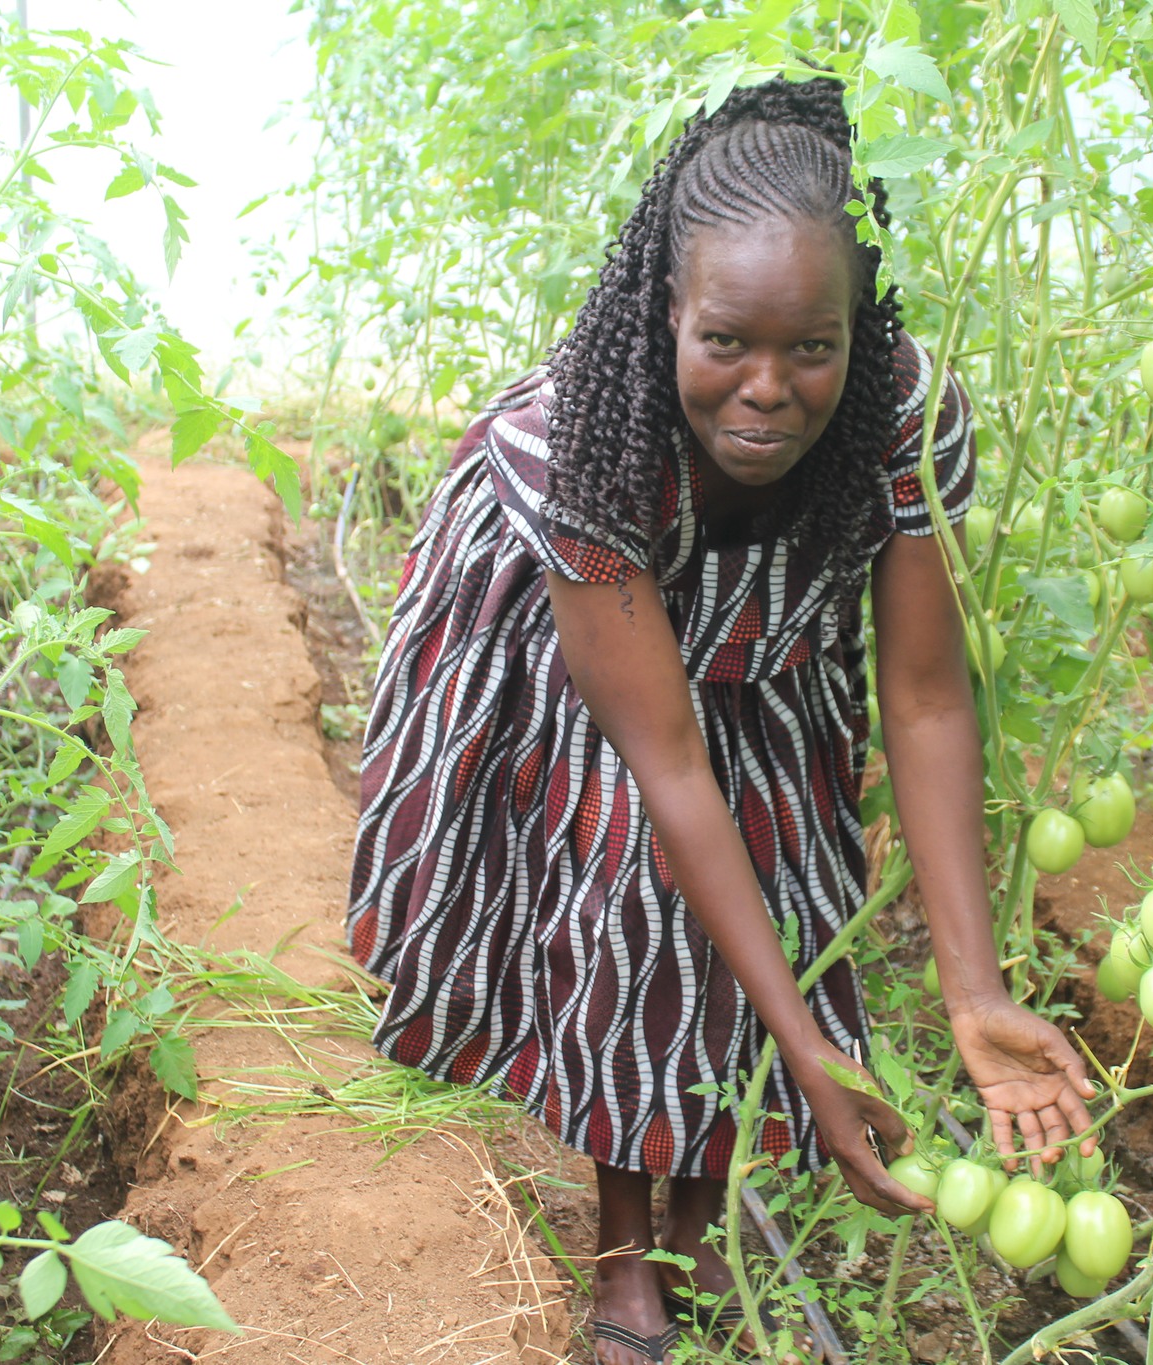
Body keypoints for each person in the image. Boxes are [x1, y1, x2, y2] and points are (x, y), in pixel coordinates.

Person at [344, 74, 1096, 1365]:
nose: (769, 388)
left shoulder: (902, 413)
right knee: (630, 901)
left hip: (771, 642)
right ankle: (627, 1243)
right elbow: (670, 763)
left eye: (813, 347)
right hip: (586, 647)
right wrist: (815, 1052)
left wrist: (974, 988)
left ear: (858, 331)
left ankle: (694, 1210)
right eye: (727, 343)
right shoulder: (581, 439)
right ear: (666, 316)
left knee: (785, 890)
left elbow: (922, 695)